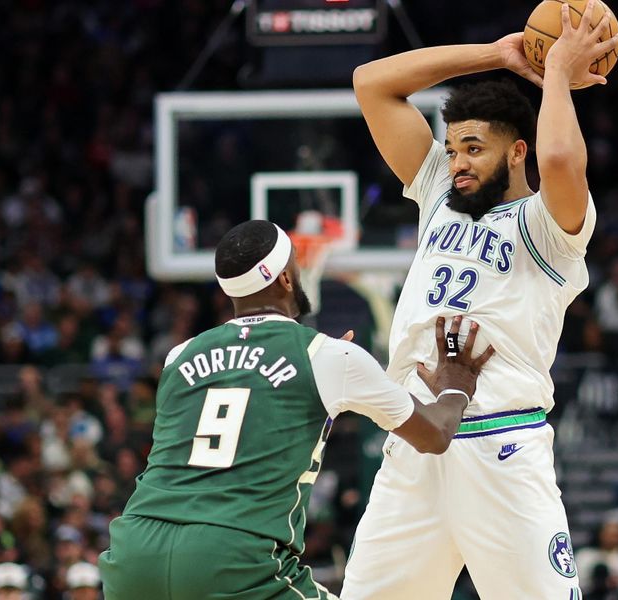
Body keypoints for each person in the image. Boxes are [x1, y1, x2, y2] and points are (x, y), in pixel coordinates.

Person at [343, 1, 618, 598]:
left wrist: (555, 78)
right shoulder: (439, 193)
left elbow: (563, 158)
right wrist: (497, 55)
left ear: (517, 152)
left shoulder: (550, 226)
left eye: (474, 148)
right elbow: (372, 84)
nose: (458, 163)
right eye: (452, 149)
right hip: (416, 439)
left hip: (502, 444)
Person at [99, 220, 493, 599]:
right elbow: (436, 434)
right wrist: (454, 387)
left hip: (135, 554)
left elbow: (244, 399)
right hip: (230, 556)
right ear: (286, 278)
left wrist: (330, 365)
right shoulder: (329, 357)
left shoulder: (179, 355)